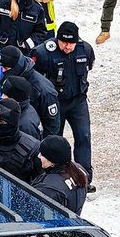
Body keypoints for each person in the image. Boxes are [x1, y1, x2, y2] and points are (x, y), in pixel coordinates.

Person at [33, 23, 95, 175]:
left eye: (71, 43)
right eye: (64, 42)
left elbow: (89, 66)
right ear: (57, 39)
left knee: (83, 136)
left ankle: (84, 175)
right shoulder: (43, 52)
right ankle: (53, 175)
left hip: (77, 101)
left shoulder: (85, 50)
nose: (67, 46)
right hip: (54, 103)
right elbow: (34, 78)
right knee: (54, 140)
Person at [31, 135, 89, 214]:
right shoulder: (79, 170)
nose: (39, 156)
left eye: (42, 154)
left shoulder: (48, 189)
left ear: (52, 161)